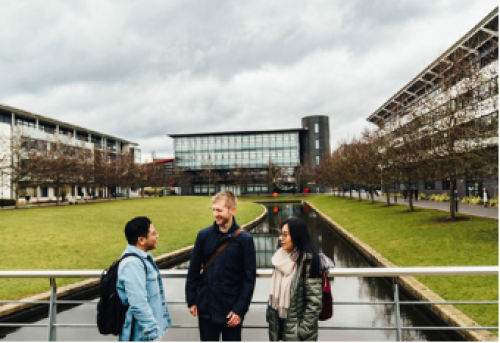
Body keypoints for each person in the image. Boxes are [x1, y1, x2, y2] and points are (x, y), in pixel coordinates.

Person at [186, 191, 257, 342]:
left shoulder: (245, 240)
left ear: (233, 210)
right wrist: (191, 300)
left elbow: (249, 278)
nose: (215, 214)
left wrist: (240, 310)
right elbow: (193, 269)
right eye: (213, 209)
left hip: (231, 312)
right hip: (206, 308)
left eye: (219, 210)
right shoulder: (203, 236)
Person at [267, 218, 323, 342]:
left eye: (285, 235)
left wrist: (302, 331)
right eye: (281, 234)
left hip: (298, 332)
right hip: (279, 325)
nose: (281, 238)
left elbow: (314, 303)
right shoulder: (279, 259)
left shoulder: (308, 262)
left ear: (297, 236)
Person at [116, 217, 172, 342]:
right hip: (141, 336)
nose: (157, 235)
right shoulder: (132, 264)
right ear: (141, 240)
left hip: (146, 335)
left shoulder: (143, 258)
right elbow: (138, 303)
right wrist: (155, 336)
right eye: (153, 233)